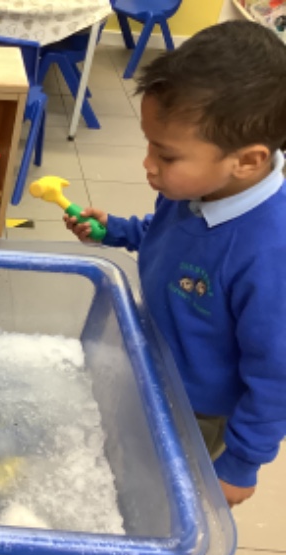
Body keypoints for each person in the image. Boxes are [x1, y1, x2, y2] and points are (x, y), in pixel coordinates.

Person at [64, 21, 286, 514]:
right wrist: (118, 230)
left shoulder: (270, 252)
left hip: (199, 413)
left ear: (247, 161)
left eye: (165, 155)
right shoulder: (192, 189)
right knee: (131, 464)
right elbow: (167, 236)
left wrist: (241, 463)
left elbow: (277, 373)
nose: (148, 165)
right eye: (148, 144)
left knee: (166, 502)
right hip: (157, 367)